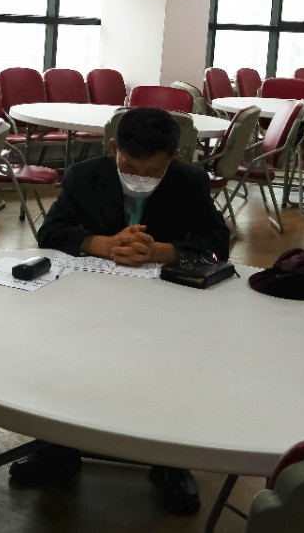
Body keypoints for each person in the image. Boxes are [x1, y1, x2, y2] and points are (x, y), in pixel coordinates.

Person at [15, 107, 230, 514]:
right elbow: (51, 232)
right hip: (91, 294)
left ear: (171, 158)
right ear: (114, 147)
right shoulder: (85, 176)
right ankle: (57, 452)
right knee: (67, 363)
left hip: (166, 302)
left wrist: (161, 251)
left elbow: (218, 244)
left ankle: (171, 463)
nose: (139, 176)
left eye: (152, 171)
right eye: (129, 166)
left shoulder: (189, 182)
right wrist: (101, 243)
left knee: (173, 371)